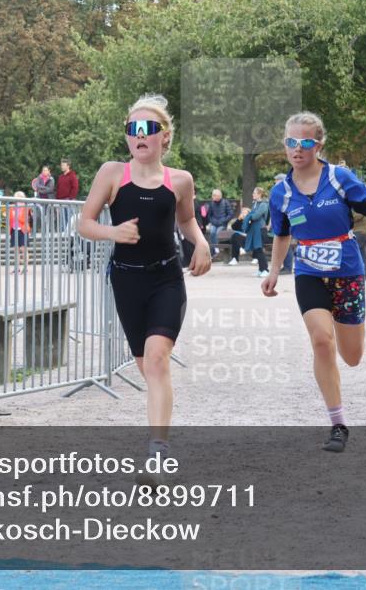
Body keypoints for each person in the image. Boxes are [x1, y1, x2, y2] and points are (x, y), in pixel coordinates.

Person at [77, 94, 211, 471]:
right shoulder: (112, 174)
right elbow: (84, 223)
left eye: (148, 129)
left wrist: (200, 243)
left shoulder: (180, 180)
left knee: (156, 359)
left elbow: (186, 222)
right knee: (147, 366)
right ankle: (160, 433)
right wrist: (112, 232)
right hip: (127, 283)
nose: (139, 136)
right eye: (132, 129)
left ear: (163, 137)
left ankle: (157, 451)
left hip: (166, 278)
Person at [262, 111, 366, 453]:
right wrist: (274, 270)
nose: (297, 149)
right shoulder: (281, 193)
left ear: (318, 145)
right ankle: (338, 424)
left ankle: (354, 332)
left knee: (352, 356)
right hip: (308, 272)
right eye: (291, 142)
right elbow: (282, 233)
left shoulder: (339, 178)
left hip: (346, 271)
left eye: (304, 142)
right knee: (321, 341)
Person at [242, 187, 270, 277]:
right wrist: (250, 215)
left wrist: (249, 215)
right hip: (254, 229)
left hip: (260, 229)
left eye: (254, 193)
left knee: (259, 249)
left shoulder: (263, 204)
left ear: (259, 194)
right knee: (256, 250)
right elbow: (253, 215)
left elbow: (255, 216)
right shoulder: (255, 203)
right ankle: (260, 269)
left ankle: (265, 269)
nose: (253, 194)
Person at [204, 189, 233, 258]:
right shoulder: (211, 204)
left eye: (214, 196)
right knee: (212, 232)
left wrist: (223, 220)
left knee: (218, 233)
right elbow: (209, 216)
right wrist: (212, 221)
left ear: (219, 196)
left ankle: (219, 249)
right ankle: (215, 249)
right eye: (213, 195)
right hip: (214, 223)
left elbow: (230, 214)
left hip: (222, 224)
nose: (212, 197)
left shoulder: (225, 203)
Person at [8, 191, 32, 272]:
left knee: (23, 249)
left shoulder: (26, 207)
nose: (18, 201)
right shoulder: (12, 207)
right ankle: (16, 267)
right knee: (15, 250)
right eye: (16, 199)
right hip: (14, 230)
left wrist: (16, 216)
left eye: (20, 199)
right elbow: (10, 220)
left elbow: (24, 219)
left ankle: (25, 267)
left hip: (23, 230)